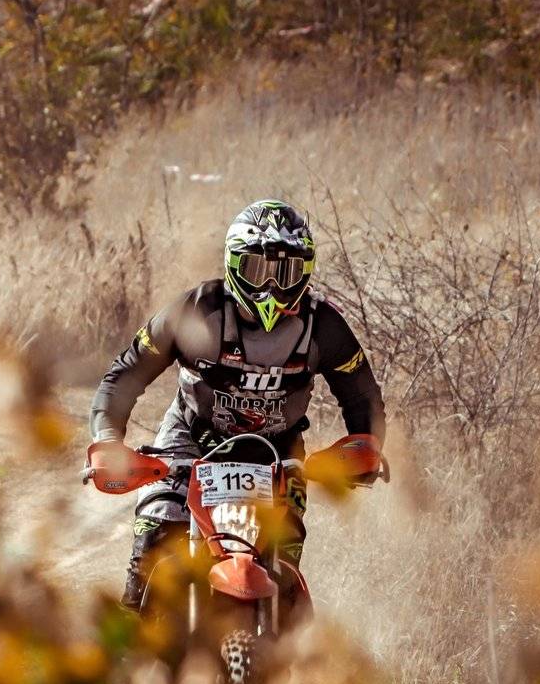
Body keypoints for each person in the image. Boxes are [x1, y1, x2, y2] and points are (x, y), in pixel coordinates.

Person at [88, 199, 387, 611]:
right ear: (233, 264)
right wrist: (107, 439)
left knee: (284, 566)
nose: (271, 288)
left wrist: (366, 444)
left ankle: (290, 648)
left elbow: (361, 394)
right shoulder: (196, 310)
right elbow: (126, 373)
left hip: (278, 454)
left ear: (305, 272)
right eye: (257, 270)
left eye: (285, 273)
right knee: (154, 537)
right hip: (189, 441)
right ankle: (132, 641)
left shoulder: (324, 326)